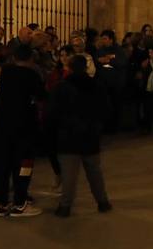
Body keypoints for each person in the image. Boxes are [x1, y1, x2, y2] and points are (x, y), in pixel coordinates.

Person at [47, 55, 111, 217]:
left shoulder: (62, 87)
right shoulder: (96, 86)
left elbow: (53, 112)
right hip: (90, 134)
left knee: (69, 175)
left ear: (69, 67)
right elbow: (105, 109)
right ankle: (102, 202)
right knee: (94, 171)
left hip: (68, 136)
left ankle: (65, 206)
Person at [0, 44, 45, 217]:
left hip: (3, 125)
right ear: (31, 58)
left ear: (14, 58)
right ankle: (20, 202)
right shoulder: (32, 74)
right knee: (24, 163)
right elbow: (42, 95)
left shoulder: (6, 72)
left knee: (2, 163)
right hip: (24, 125)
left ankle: (1, 203)